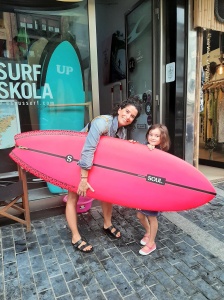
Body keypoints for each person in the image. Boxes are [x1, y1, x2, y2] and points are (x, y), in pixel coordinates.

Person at [66, 97, 142, 253]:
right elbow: (88, 150)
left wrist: (128, 146)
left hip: (95, 162)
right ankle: (75, 237)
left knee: (107, 195)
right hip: (77, 158)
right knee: (73, 196)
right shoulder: (102, 123)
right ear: (119, 109)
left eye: (132, 116)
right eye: (127, 111)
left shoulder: (122, 130)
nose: (128, 117)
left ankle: (107, 224)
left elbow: (113, 153)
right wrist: (83, 179)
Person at [137, 124, 170, 255]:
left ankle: (151, 243)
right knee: (140, 215)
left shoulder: (162, 153)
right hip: (143, 189)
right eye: (151, 134)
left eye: (157, 136)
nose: (153, 137)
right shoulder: (145, 147)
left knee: (151, 217)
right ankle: (149, 232)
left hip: (154, 191)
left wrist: (153, 152)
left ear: (163, 138)